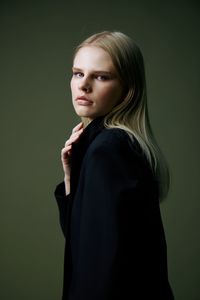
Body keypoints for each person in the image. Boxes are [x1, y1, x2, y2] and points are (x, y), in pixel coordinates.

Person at [54, 31, 174, 300]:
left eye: (101, 76)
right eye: (77, 73)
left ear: (127, 89)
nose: (83, 86)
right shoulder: (113, 145)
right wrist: (72, 178)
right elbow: (86, 244)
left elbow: (101, 272)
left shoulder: (108, 151)